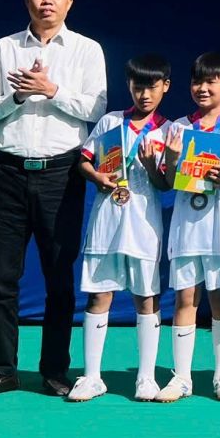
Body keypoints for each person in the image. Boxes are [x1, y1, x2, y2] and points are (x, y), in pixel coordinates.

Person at [0, 0, 106, 399]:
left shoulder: (86, 50)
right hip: (8, 172)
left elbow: (96, 109)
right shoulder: (3, 48)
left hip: (61, 174)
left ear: (69, 3)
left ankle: (55, 371)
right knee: (3, 277)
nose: (47, 1)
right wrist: (18, 96)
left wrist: (51, 89)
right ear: (27, 0)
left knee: (59, 276)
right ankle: (1, 370)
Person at [68, 54, 171, 403]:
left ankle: (146, 378)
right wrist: (97, 176)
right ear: (128, 85)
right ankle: (92, 376)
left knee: (146, 297)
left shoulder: (169, 130)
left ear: (165, 87)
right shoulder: (110, 122)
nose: (145, 94)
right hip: (107, 221)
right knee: (99, 295)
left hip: (144, 225)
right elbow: (83, 161)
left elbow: (166, 184)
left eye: (152, 87)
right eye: (138, 87)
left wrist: (151, 166)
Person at [153, 52, 220, 402]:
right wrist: (172, 158)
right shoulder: (177, 127)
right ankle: (181, 377)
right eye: (197, 81)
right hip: (187, 225)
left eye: (211, 81)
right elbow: (167, 182)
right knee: (185, 298)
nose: (203, 88)